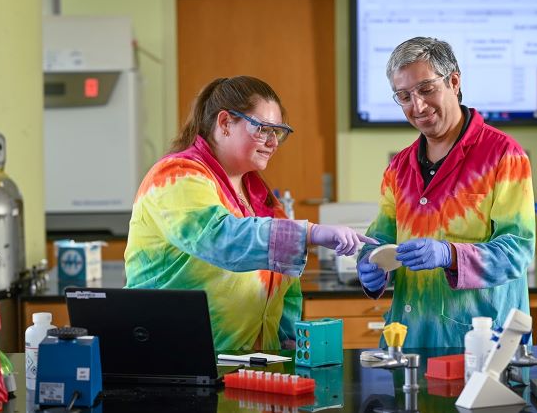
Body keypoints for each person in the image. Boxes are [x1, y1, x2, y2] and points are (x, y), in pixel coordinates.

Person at [124, 75, 375, 351]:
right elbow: (221, 239)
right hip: (172, 359)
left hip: (246, 364)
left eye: (278, 132)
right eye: (263, 129)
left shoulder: (258, 195)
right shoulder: (176, 176)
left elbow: (285, 282)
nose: (273, 142)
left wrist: (286, 341)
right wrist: (311, 233)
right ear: (224, 123)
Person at [356, 37, 536, 347]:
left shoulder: (503, 155)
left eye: (426, 90)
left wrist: (450, 254)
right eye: (404, 96)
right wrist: (370, 263)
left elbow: (517, 251)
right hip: (409, 341)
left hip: (480, 344)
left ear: (453, 81)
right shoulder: (399, 167)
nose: (418, 106)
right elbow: (382, 239)